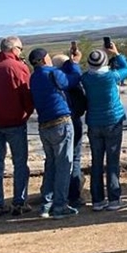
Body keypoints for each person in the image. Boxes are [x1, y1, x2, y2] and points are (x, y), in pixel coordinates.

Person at [28, 47, 82, 219]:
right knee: (64, 165)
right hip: (61, 123)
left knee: (51, 165)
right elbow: (72, 80)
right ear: (45, 59)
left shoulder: (34, 77)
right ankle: (60, 205)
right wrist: (74, 64)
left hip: (44, 126)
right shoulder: (52, 73)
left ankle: (46, 204)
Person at [81, 45, 127, 211]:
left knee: (96, 162)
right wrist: (116, 54)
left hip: (94, 123)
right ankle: (114, 199)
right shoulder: (110, 76)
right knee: (112, 161)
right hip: (113, 121)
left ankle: (97, 200)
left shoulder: (86, 78)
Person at [0, 37, 34, 216]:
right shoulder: (19, 68)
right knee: (20, 163)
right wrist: (27, 113)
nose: (21, 52)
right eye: (21, 49)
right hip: (15, 122)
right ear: (14, 49)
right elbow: (27, 94)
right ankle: (19, 202)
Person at [51, 53, 88, 208]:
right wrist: (74, 64)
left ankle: (55, 194)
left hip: (51, 124)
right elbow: (82, 101)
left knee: (55, 160)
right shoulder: (70, 82)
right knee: (74, 159)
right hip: (72, 121)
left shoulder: (49, 80)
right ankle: (74, 195)